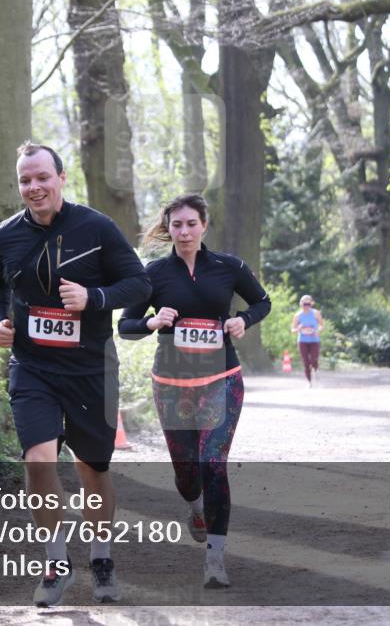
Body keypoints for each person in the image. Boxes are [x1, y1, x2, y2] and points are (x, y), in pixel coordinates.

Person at [0, 142, 151, 607]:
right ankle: (56, 563)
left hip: (90, 367)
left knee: (92, 467)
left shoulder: (97, 228)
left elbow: (139, 283)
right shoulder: (5, 235)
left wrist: (94, 298)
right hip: (32, 366)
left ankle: (101, 557)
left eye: (42, 177)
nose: (34, 187)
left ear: (61, 177)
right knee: (37, 459)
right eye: (25, 180)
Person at [118, 193, 270, 589]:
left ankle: (215, 558)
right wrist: (151, 323)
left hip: (222, 379)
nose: (184, 231)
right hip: (172, 385)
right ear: (168, 229)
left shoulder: (228, 267)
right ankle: (195, 505)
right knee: (187, 472)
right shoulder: (153, 274)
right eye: (176, 225)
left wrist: (243, 320)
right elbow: (125, 326)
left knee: (213, 464)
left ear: (204, 225)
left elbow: (262, 301)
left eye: (191, 224)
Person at [291, 294, 323, 386]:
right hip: (302, 341)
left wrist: (317, 331)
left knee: (314, 359)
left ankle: (316, 369)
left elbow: (322, 325)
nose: (306, 306)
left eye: (308, 304)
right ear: (300, 304)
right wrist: (298, 329)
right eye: (304, 304)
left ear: (312, 304)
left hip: (314, 340)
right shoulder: (298, 315)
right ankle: (309, 382)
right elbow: (292, 329)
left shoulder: (316, 313)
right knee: (306, 362)